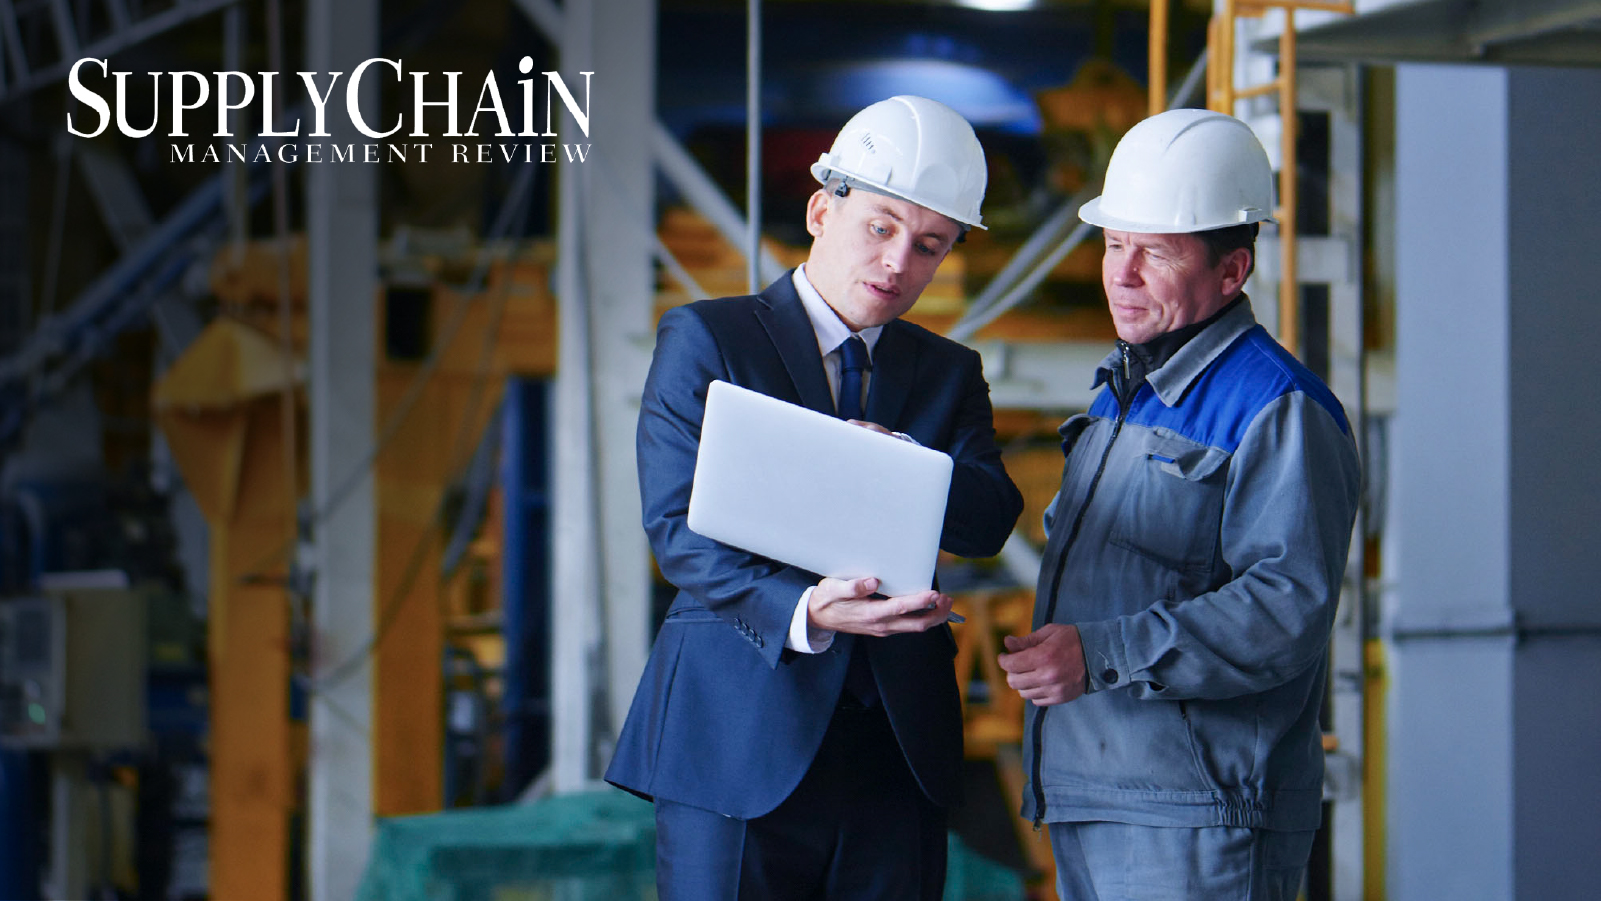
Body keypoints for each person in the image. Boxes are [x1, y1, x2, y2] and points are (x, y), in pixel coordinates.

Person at [605, 95, 1024, 901]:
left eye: (929, 245)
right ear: (818, 212)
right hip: (735, 734)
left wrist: (902, 460)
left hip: (894, 752)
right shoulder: (709, 338)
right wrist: (804, 607)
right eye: (880, 226)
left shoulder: (947, 372)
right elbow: (676, 529)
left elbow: (988, 516)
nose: (899, 261)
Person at [998, 108, 1362, 900]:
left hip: (1199, 817)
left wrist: (1099, 653)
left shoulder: (1277, 408)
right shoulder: (1118, 399)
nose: (1119, 275)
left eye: (1153, 254)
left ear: (1230, 272)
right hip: (1099, 794)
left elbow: (1283, 609)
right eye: (1112, 244)